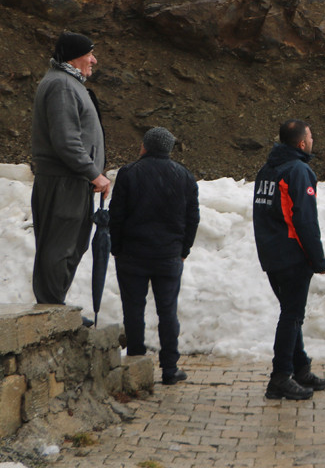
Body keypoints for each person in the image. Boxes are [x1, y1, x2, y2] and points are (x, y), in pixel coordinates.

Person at [108, 127, 199, 385]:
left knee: (134, 310)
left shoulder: (129, 173)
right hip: (168, 256)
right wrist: (184, 250)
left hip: (132, 256)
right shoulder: (184, 176)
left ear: (145, 147)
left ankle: (137, 363)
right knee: (168, 311)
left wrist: (117, 248)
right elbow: (193, 218)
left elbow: (117, 214)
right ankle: (170, 368)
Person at [30, 31, 110, 310]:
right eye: (89, 54)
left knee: (72, 245)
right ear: (75, 57)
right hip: (63, 180)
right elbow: (65, 140)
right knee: (60, 246)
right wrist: (93, 172)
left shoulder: (67, 83)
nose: (94, 60)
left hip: (72, 180)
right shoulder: (62, 86)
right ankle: (50, 310)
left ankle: (54, 306)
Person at [252, 119, 325, 401]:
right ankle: (280, 377)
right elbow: (304, 220)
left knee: (290, 311)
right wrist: (317, 259)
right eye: (310, 136)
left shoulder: (267, 170)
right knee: (292, 315)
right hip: (292, 256)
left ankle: (300, 368)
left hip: (271, 254)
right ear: (301, 143)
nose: (312, 140)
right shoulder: (298, 171)